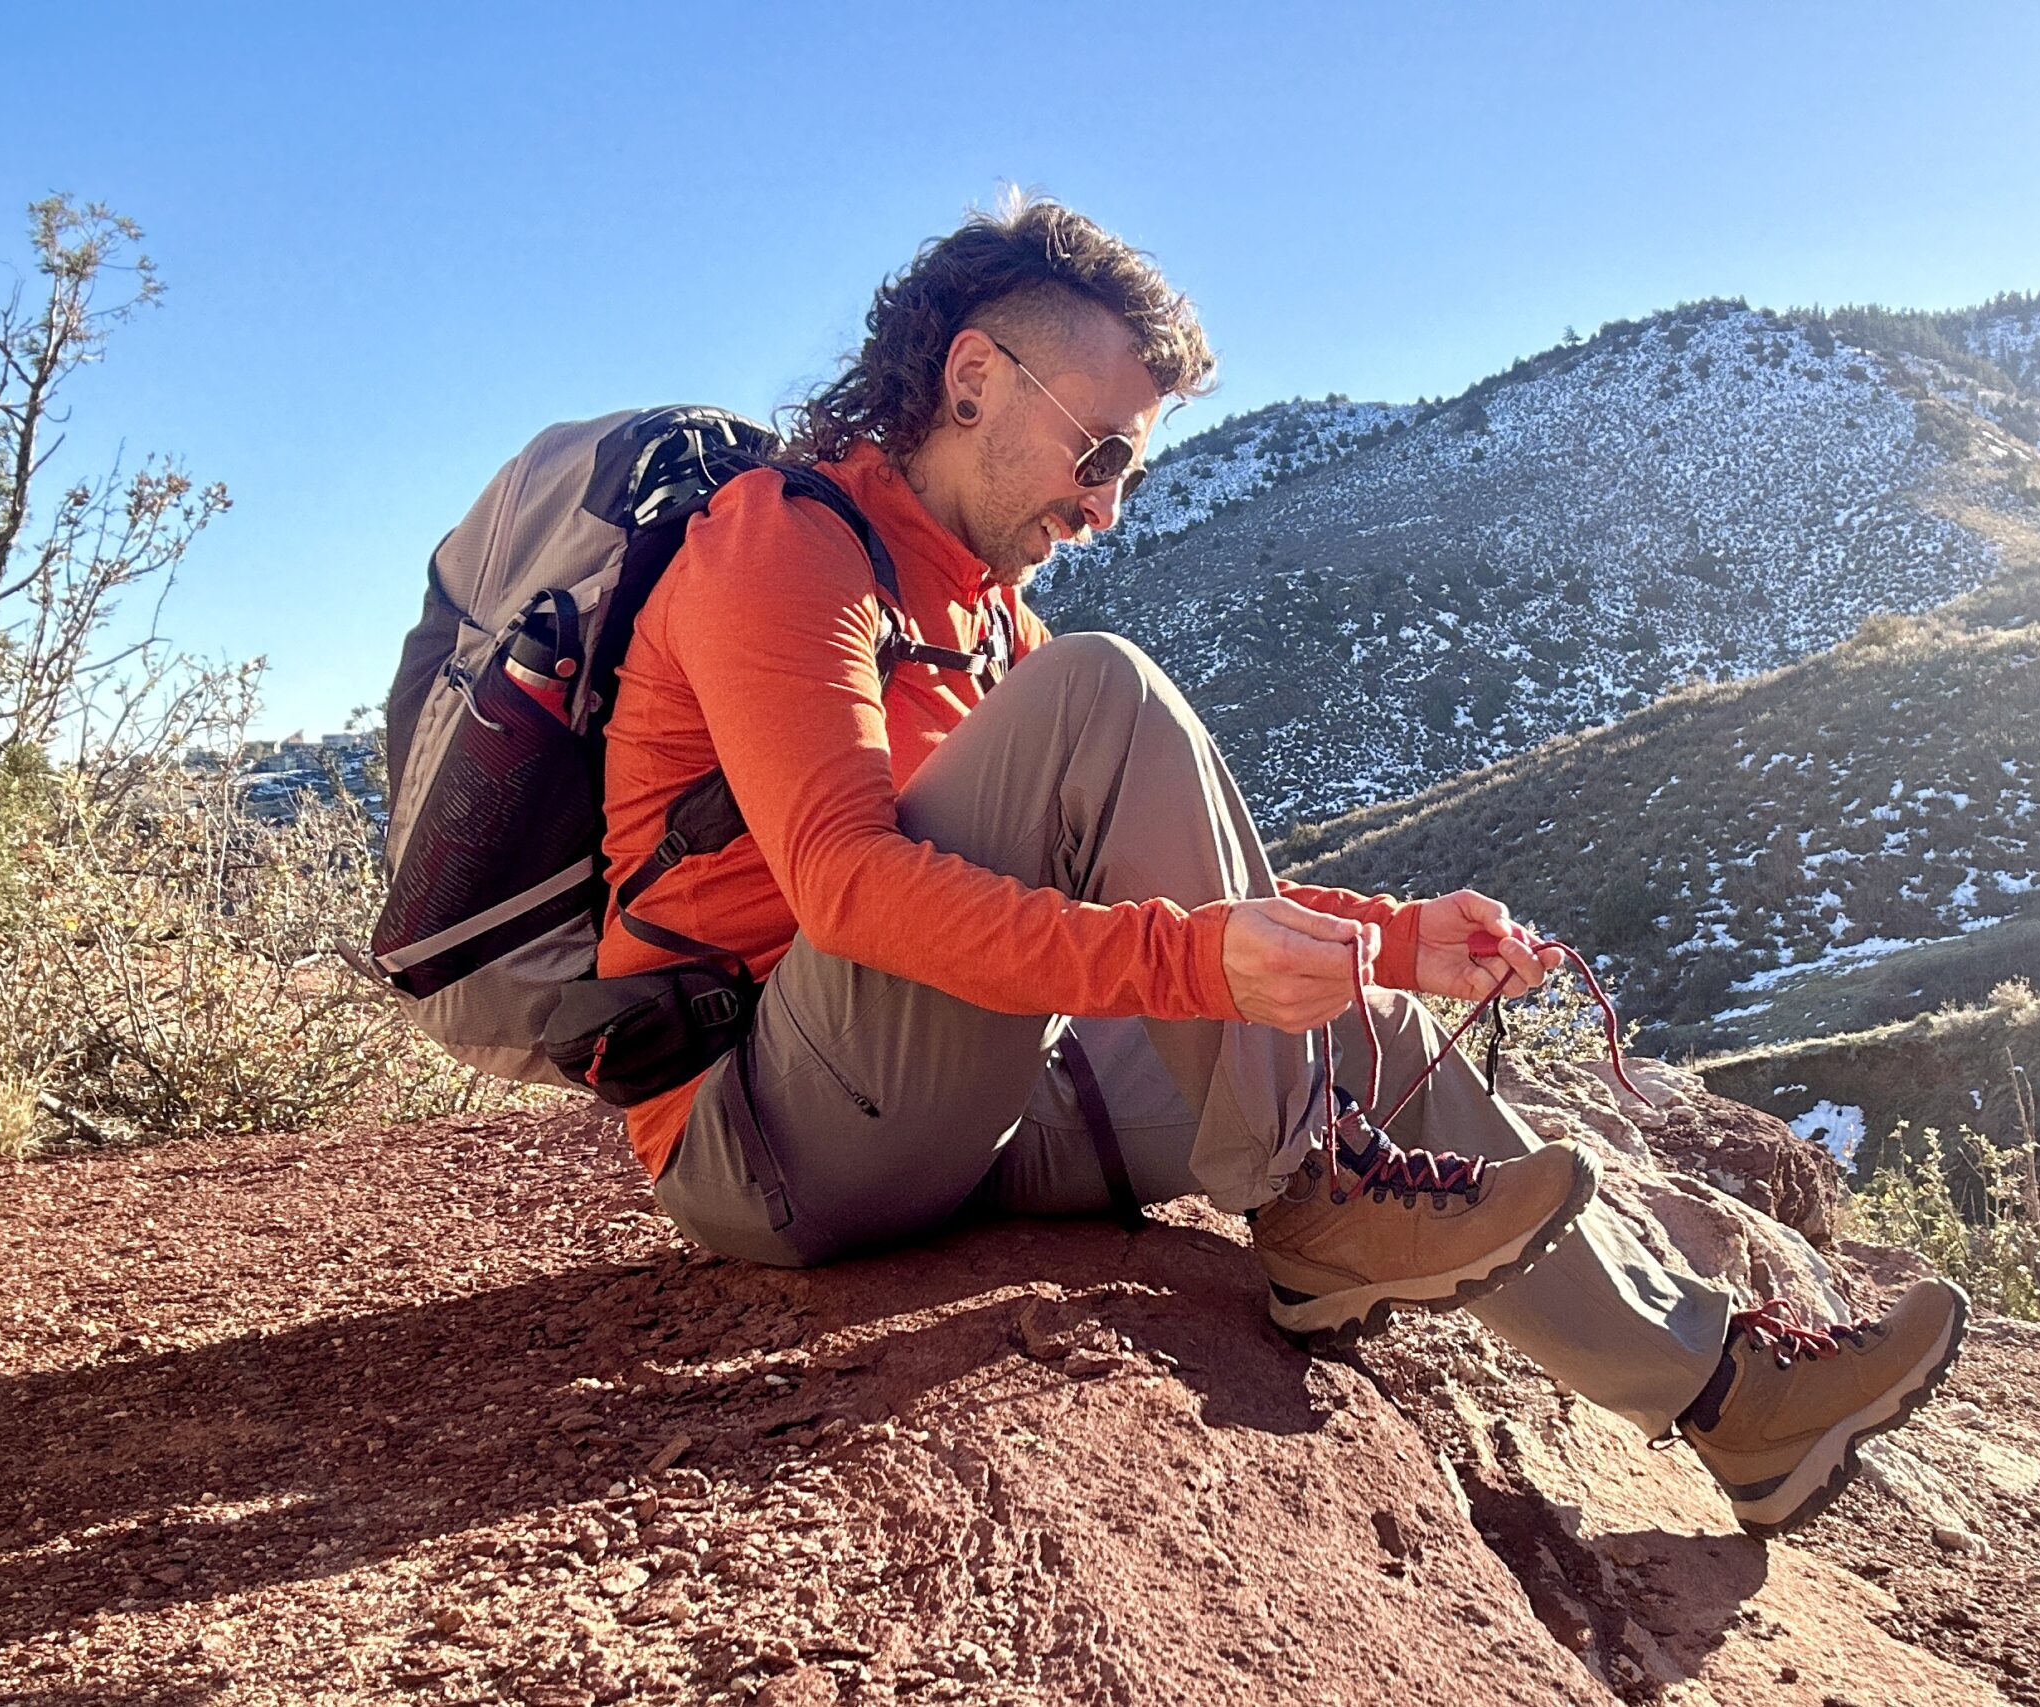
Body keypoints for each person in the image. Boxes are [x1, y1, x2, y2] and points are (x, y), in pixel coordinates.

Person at [596, 193, 1967, 1536]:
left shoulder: (985, 614)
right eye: (1099, 450)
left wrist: (1388, 942)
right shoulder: (780, 548)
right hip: (771, 1136)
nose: (1110, 505)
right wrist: (1203, 968)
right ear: (973, 378)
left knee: (1346, 1012)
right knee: (1107, 693)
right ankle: (1310, 1197)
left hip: (956, 1118)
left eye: (1126, 467)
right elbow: (847, 885)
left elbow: (1160, 901)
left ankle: (1733, 1401)